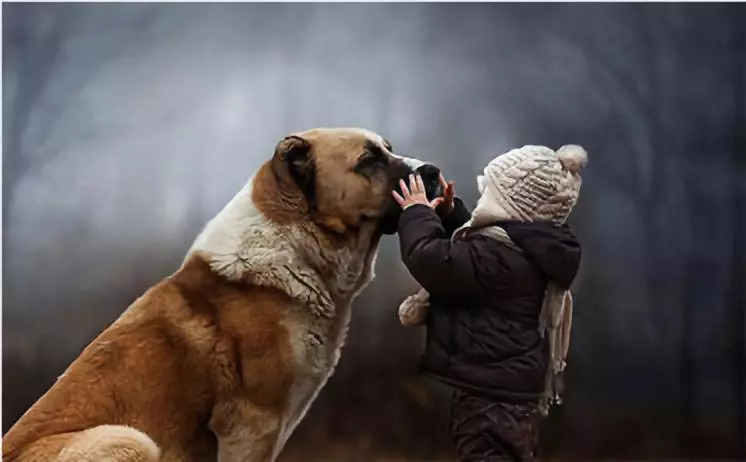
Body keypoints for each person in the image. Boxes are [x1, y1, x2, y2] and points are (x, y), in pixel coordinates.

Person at [392, 144, 587, 462]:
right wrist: (450, 215)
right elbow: (473, 257)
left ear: (511, 206)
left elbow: (433, 259)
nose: (483, 203)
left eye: (489, 195)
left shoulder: (495, 258)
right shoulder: (527, 250)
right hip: (512, 390)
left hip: (488, 395)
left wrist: (416, 212)